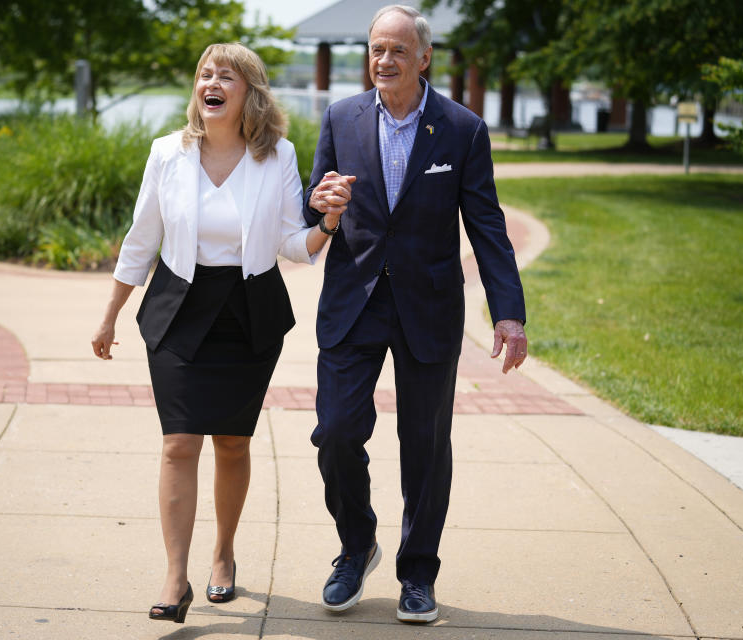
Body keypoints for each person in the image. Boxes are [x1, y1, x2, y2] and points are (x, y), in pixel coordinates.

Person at [90, 42, 339, 625]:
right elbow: (140, 239)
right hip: (178, 308)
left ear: (249, 92)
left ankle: (223, 553)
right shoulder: (166, 154)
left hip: (249, 313)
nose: (212, 81)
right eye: (205, 73)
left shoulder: (276, 155)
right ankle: (175, 578)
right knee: (179, 442)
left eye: (226, 75)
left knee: (232, 442)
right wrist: (109, 315)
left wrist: (326, 223)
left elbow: (289, 244)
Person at [304, 5, 529, 624]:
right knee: (337, 432)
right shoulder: (341, 116)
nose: (384, 60)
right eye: (377, 49)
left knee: (424, 444)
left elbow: (487, 226)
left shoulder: (462, 129)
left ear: (424, 58)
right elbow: (313, 200)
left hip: (429, 306)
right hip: (353, 300)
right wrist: (318, 200)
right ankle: (356, 545)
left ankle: (418, 572)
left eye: (398, 50)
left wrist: (507, 313)